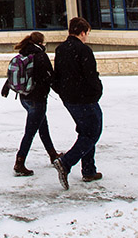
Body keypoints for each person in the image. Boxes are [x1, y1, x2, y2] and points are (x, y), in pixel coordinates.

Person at [51, 17, 103, 189]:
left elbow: (56, 76)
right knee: (93, 132)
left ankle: (89, 170)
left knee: (85, 131)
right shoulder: (83, 50)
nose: (87, 37)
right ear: (82, 32)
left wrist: (64, 92)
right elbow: (91, 76)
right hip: (85, 99)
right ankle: (65, 163)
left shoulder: (61, 49)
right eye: (86, 33)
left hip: (70, 99)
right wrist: (96, 92)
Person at [1, 31, 59, 177]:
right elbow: (48, 76)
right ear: (41, 43)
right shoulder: (40, 55)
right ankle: (20, 162)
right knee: (31, 131)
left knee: (42, 126)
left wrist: (7, 86)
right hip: (37, 98)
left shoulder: (24, 53)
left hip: (24, 97)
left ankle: (53, 155)